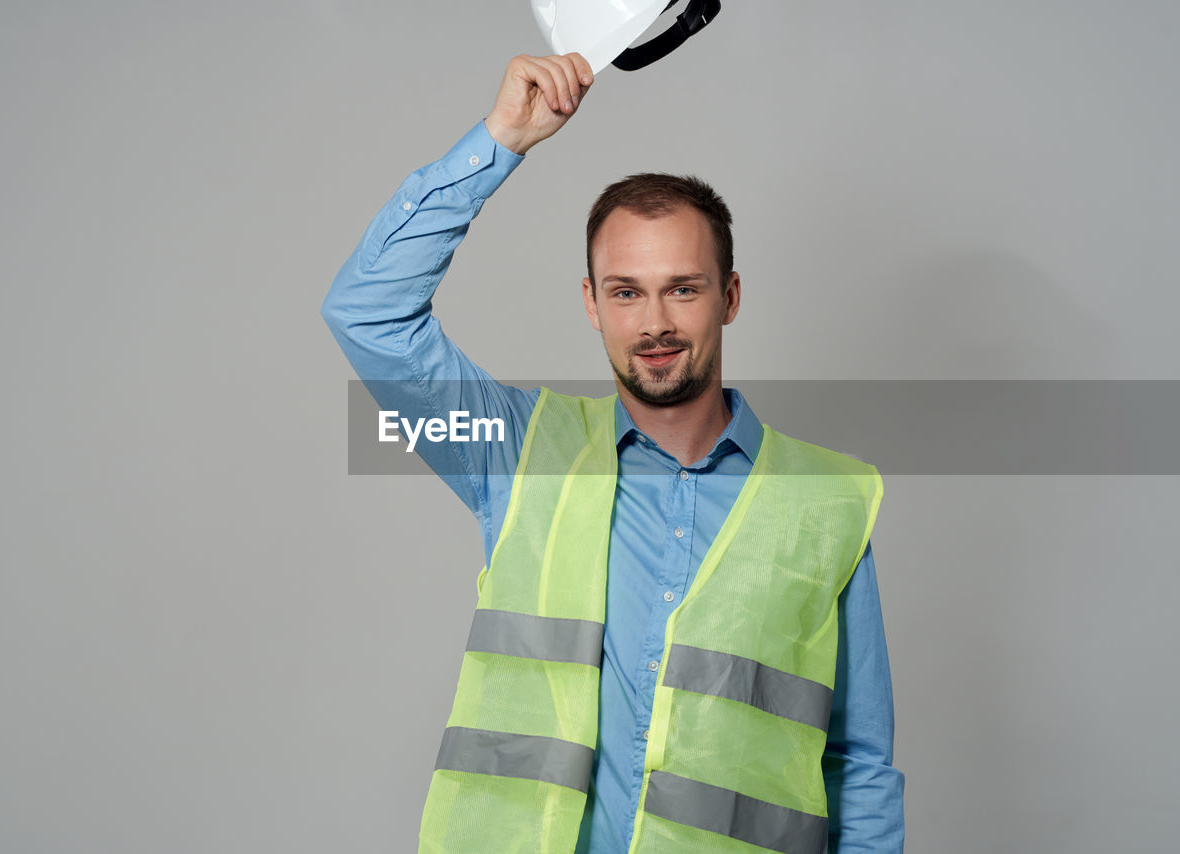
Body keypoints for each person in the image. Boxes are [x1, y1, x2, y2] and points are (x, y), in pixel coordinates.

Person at [324, 53, 905, 854]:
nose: (655, 322)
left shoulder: (828, 499)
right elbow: (369, 313)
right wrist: (501, 140)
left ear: (729, 298)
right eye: (626, 292)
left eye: (684, 288)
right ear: (592, 304)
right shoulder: (517, 454)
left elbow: (858, 762)